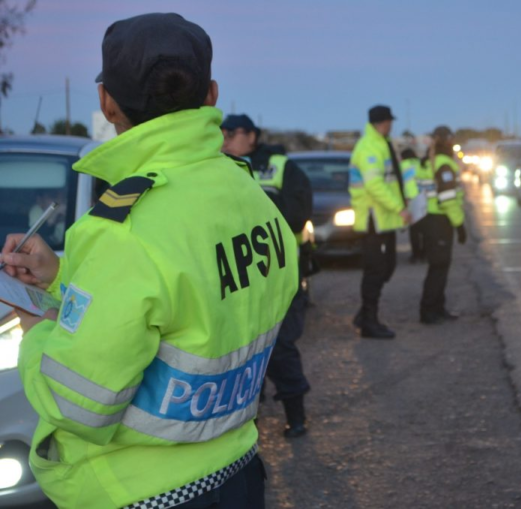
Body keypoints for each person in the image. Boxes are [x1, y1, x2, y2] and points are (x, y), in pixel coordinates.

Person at [0, 13, 296, 509]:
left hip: (143, 491)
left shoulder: (124, 229)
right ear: (212, 94)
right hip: (238, 469)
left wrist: (39, 329)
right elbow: (182, 288)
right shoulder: (246, 191)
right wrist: (63, 276)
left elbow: (76, 406)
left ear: (106, 102)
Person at [221, 113, 313, 439]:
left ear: (251, 135)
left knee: (281, 347)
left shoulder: (279, 165)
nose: (225, 139)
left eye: (231, 133)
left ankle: (296, 414)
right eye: (221, 133)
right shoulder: (215, 167)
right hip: (237, 280)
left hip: (279, 277)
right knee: (240, 353)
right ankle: (247, 421)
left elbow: (299, 215)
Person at [349, 105, 411, 339]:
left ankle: (364, 315)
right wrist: (400, 207)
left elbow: (396, 176)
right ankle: (369, 323)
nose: (391, 125)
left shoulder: (384, 143)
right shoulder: (368, 147)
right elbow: (374, 186)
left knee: (388, 266)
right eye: (388, 122)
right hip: (373, 219)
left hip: (385, 219)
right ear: (380, 123)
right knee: (375, 271)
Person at [419, 126, 467, 324]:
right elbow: (447, 199)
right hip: (440, 220)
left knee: (438, 265)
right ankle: (429, 311)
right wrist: (460, 224)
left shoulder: (427, 162)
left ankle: (437, 307)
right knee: (438, 267)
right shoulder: (444, 165)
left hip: (429, 219)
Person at [400, 148, 426, 263]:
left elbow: (400, 183)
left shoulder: (402, 165)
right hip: (423, 197)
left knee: (414, 229)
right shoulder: (420, 163)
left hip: (409, 199)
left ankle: (416, 255)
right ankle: (424, 254)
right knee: (424, 229)